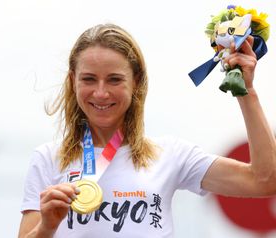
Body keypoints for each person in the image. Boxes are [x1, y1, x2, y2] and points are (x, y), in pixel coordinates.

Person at [18, 23, 276, 238]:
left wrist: (246, 91)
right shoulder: (48, 159)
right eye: (88, 79)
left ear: (137, 81)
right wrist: (47, 227)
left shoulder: (172, 155)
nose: (100, 92)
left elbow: (265, 181)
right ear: (72, 81)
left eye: (114, 79)